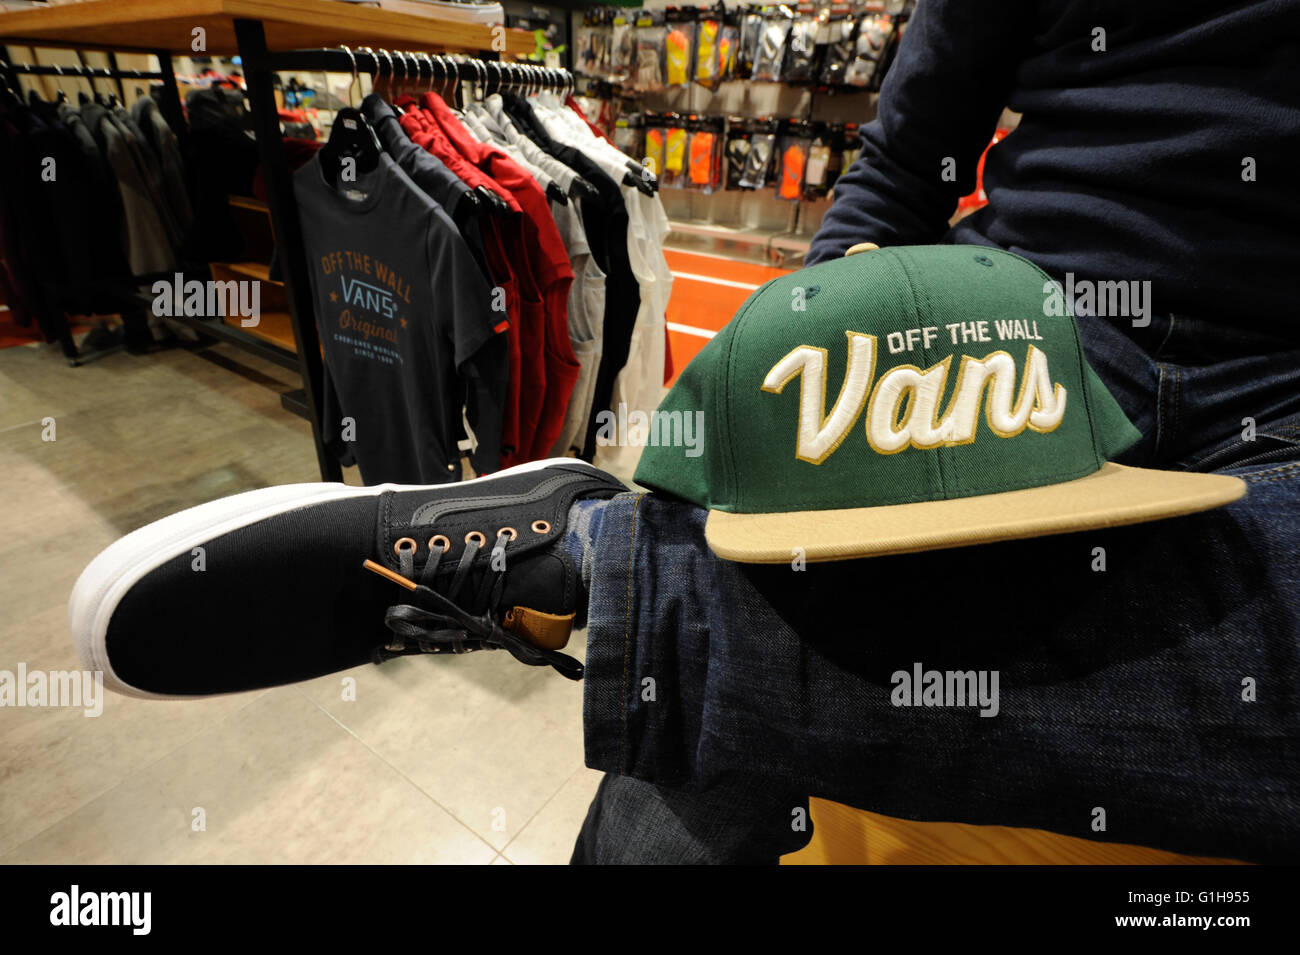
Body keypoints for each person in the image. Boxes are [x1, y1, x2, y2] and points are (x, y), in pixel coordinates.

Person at [72, 0, 1299, 863]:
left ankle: (597, 563)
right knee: (670, 823)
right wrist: (803, 356)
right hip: (1026, 326)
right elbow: (907, 151)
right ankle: (630, 566)